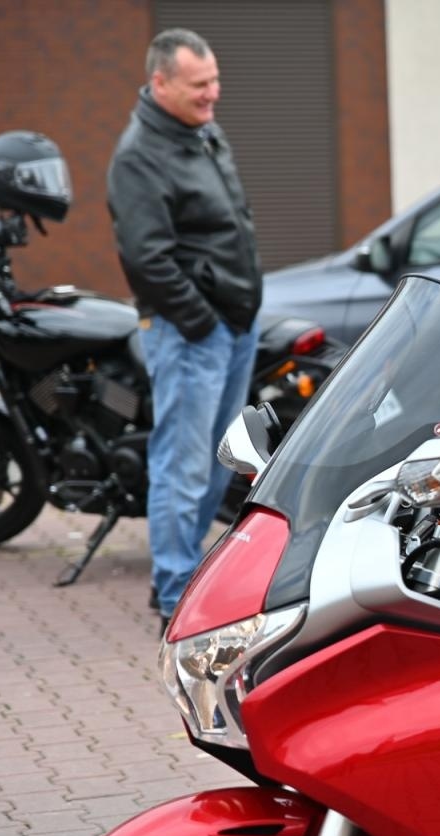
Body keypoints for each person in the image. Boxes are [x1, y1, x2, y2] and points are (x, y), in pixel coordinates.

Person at [107, 28, 262, 631]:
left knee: (221, 459)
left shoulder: (200, 131)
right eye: (200, 85)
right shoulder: (140, 154)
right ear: (160, 83)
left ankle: (189, 581)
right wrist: (201, 321)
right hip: (193, 331)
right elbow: (146, 258)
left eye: (215, 81)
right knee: (183, 463)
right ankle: (175, 592)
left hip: (231, 323)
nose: (213, 94)